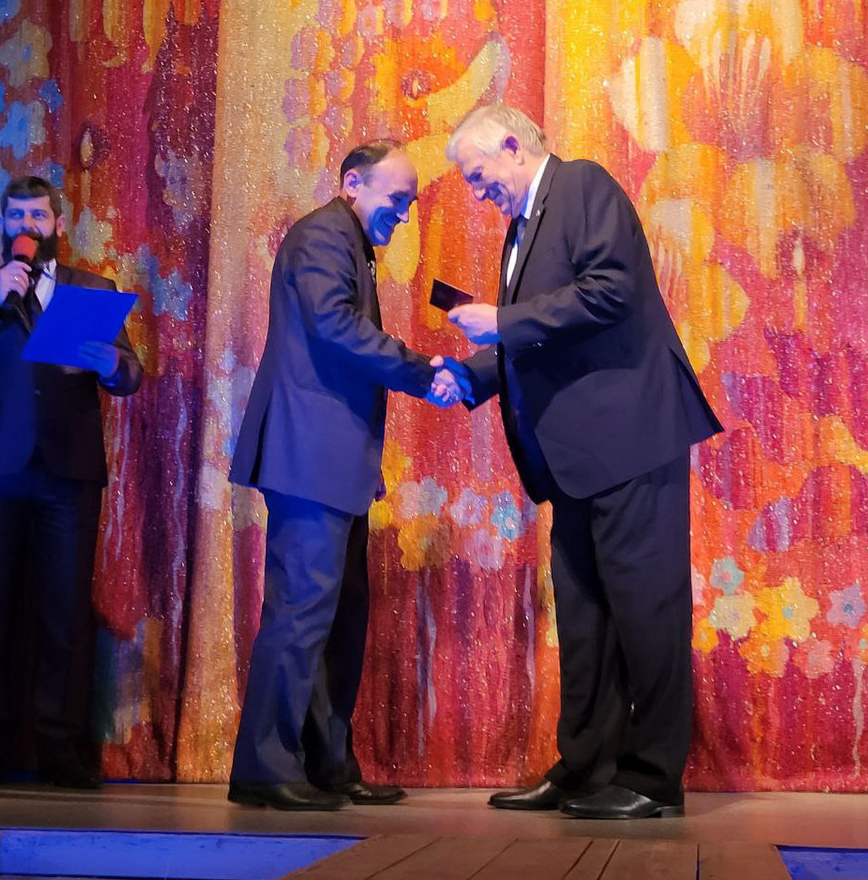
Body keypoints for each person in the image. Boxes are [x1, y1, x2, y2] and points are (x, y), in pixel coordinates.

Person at [444, 105, 723, 819]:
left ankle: (652, 779)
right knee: (584, 619)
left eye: (477, 174)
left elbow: (609, 292)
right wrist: (470, 376)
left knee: (646, 612)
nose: (475, 191)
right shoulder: (524, 225)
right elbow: (540, 337)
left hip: (629, 439)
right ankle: (586, 769)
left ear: (513, 145)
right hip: (575, 458)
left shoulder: (582, 186)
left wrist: (502, 321)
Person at [227, 140, 470, 811]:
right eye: (397, 198)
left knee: (339, 617)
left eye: (410, 202)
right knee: (301, 613)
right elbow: (335, 327)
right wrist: (423, 371)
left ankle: (328, 762)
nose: (404, 212)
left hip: (336, 461)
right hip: (308, 455)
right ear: (353, 183)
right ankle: (264, 768)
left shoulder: (351, 243)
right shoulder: (322, 237)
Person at [0, 175, 142, 789]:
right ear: (3, 224)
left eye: (38, 216)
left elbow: (130, 374)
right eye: (16, 216)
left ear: (58, 225)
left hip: (68, 474)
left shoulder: (91, 290)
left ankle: (59, 749)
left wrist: (112, 364)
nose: (27, 226)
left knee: (63, 614)